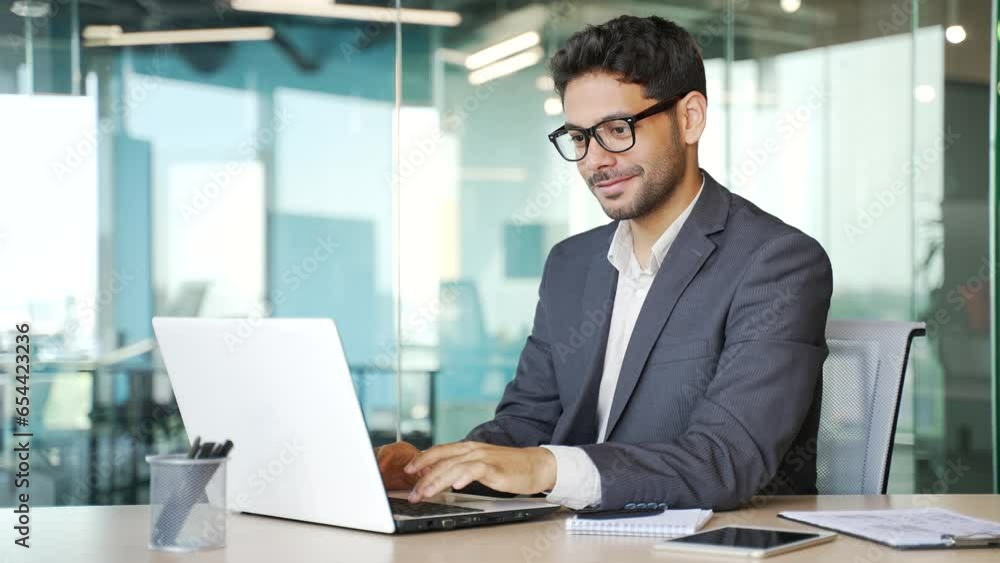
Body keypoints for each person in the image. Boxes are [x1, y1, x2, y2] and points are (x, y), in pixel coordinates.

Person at [378, 14, 832, 511]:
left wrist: (547, 468)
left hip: (708, 545)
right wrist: (436, 467)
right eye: (579, 138)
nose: (595, 160)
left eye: (618, 129)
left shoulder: (776, 263)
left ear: (690, 118)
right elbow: (527, 423)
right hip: (571, 538)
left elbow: (723, 460)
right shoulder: (571, 264)